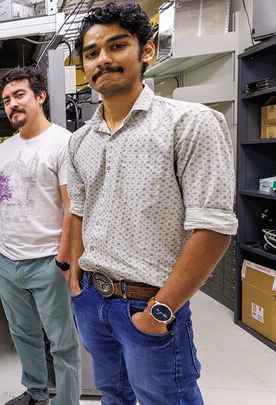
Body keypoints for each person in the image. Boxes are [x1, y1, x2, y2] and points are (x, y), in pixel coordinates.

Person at [68, 3, 237, 404]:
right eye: (91, 53)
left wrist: (161, 311)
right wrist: (75, 283)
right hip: (93, 302)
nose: (103, 59)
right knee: (112, 394)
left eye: (116, 46)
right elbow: (77, 210)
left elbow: (213, 229)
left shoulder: (190, 123)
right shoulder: (80, 142)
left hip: (150, 304)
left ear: (147, 51)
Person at [0, 66, 81, 405]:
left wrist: (62, 258)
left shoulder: (62, 142)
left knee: (61, 341)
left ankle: (67, 400)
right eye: (6, 100)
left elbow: (73, 206)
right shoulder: (4, 149)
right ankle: (36, 392)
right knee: (23, 334)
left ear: (40, 96)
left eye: (19, 95)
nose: (12, 104)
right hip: (8, 261)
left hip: (47, 261)